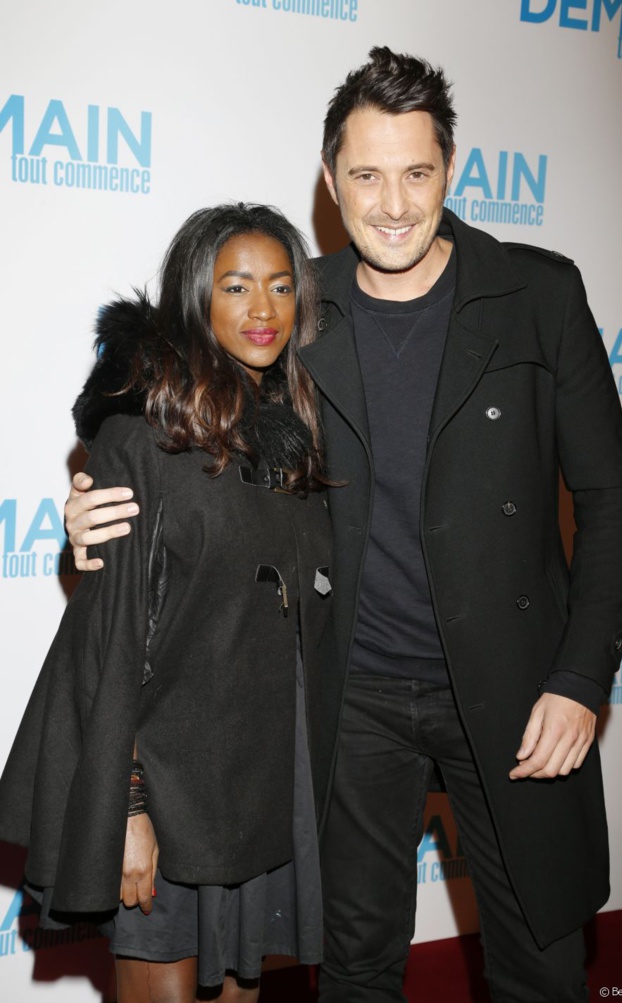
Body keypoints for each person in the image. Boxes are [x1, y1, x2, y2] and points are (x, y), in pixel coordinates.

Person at [61, 48, 622, 1003]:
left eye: (416, 172)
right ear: (331, 181)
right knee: (357, 966)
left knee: (539, 961)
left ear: (449, 168)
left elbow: (612, 500)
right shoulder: (296, 310)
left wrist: (581, 677)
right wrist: (97, 501)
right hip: (350, 693)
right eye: (366, 175)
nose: (394, 202)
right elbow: (171, 420)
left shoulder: (538, 294)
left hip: (514, 686)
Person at [0, 203, 334, 1003]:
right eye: (237, 286)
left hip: (254, 793)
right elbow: (108, 644)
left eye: (282, 286)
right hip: (163, 790)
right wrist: (128, 806)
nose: (263, 310)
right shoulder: (141, 437)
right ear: (195, 297)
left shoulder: (291, 440)